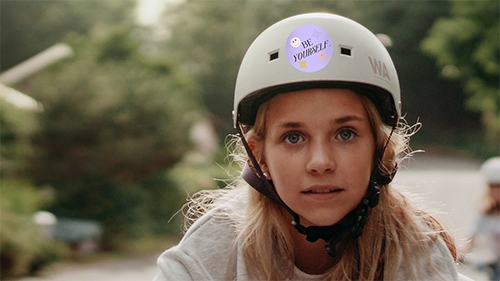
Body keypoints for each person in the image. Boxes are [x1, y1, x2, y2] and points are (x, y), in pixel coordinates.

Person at [154, 13, 472, 280]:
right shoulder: (212, 252)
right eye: (294, 137)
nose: (320, 162)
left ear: (379, 147)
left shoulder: (416, 251)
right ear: (258, 154)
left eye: (345, 134)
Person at [465, 157, 500, 281]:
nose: (497, 192)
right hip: (495, 265)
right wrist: (462, 253)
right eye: (494, 187)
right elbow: (473, 235)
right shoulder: (486, 213)